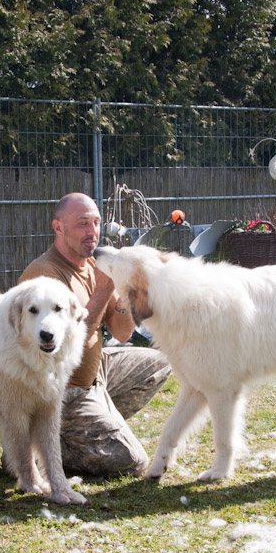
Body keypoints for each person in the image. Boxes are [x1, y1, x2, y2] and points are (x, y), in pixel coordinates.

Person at [17, 193, 171, 477]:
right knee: (132, 461)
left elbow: (122, 334)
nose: (93, 232)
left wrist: (125, 296)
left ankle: (90, 427)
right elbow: (63, 344)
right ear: (58, 227)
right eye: (83, 224)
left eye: (97, 223)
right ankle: (39, 446)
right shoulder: (45, 275)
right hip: (62, 391)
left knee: (160, 364)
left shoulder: (94, 265)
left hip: (96, 373)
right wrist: (102, 291)